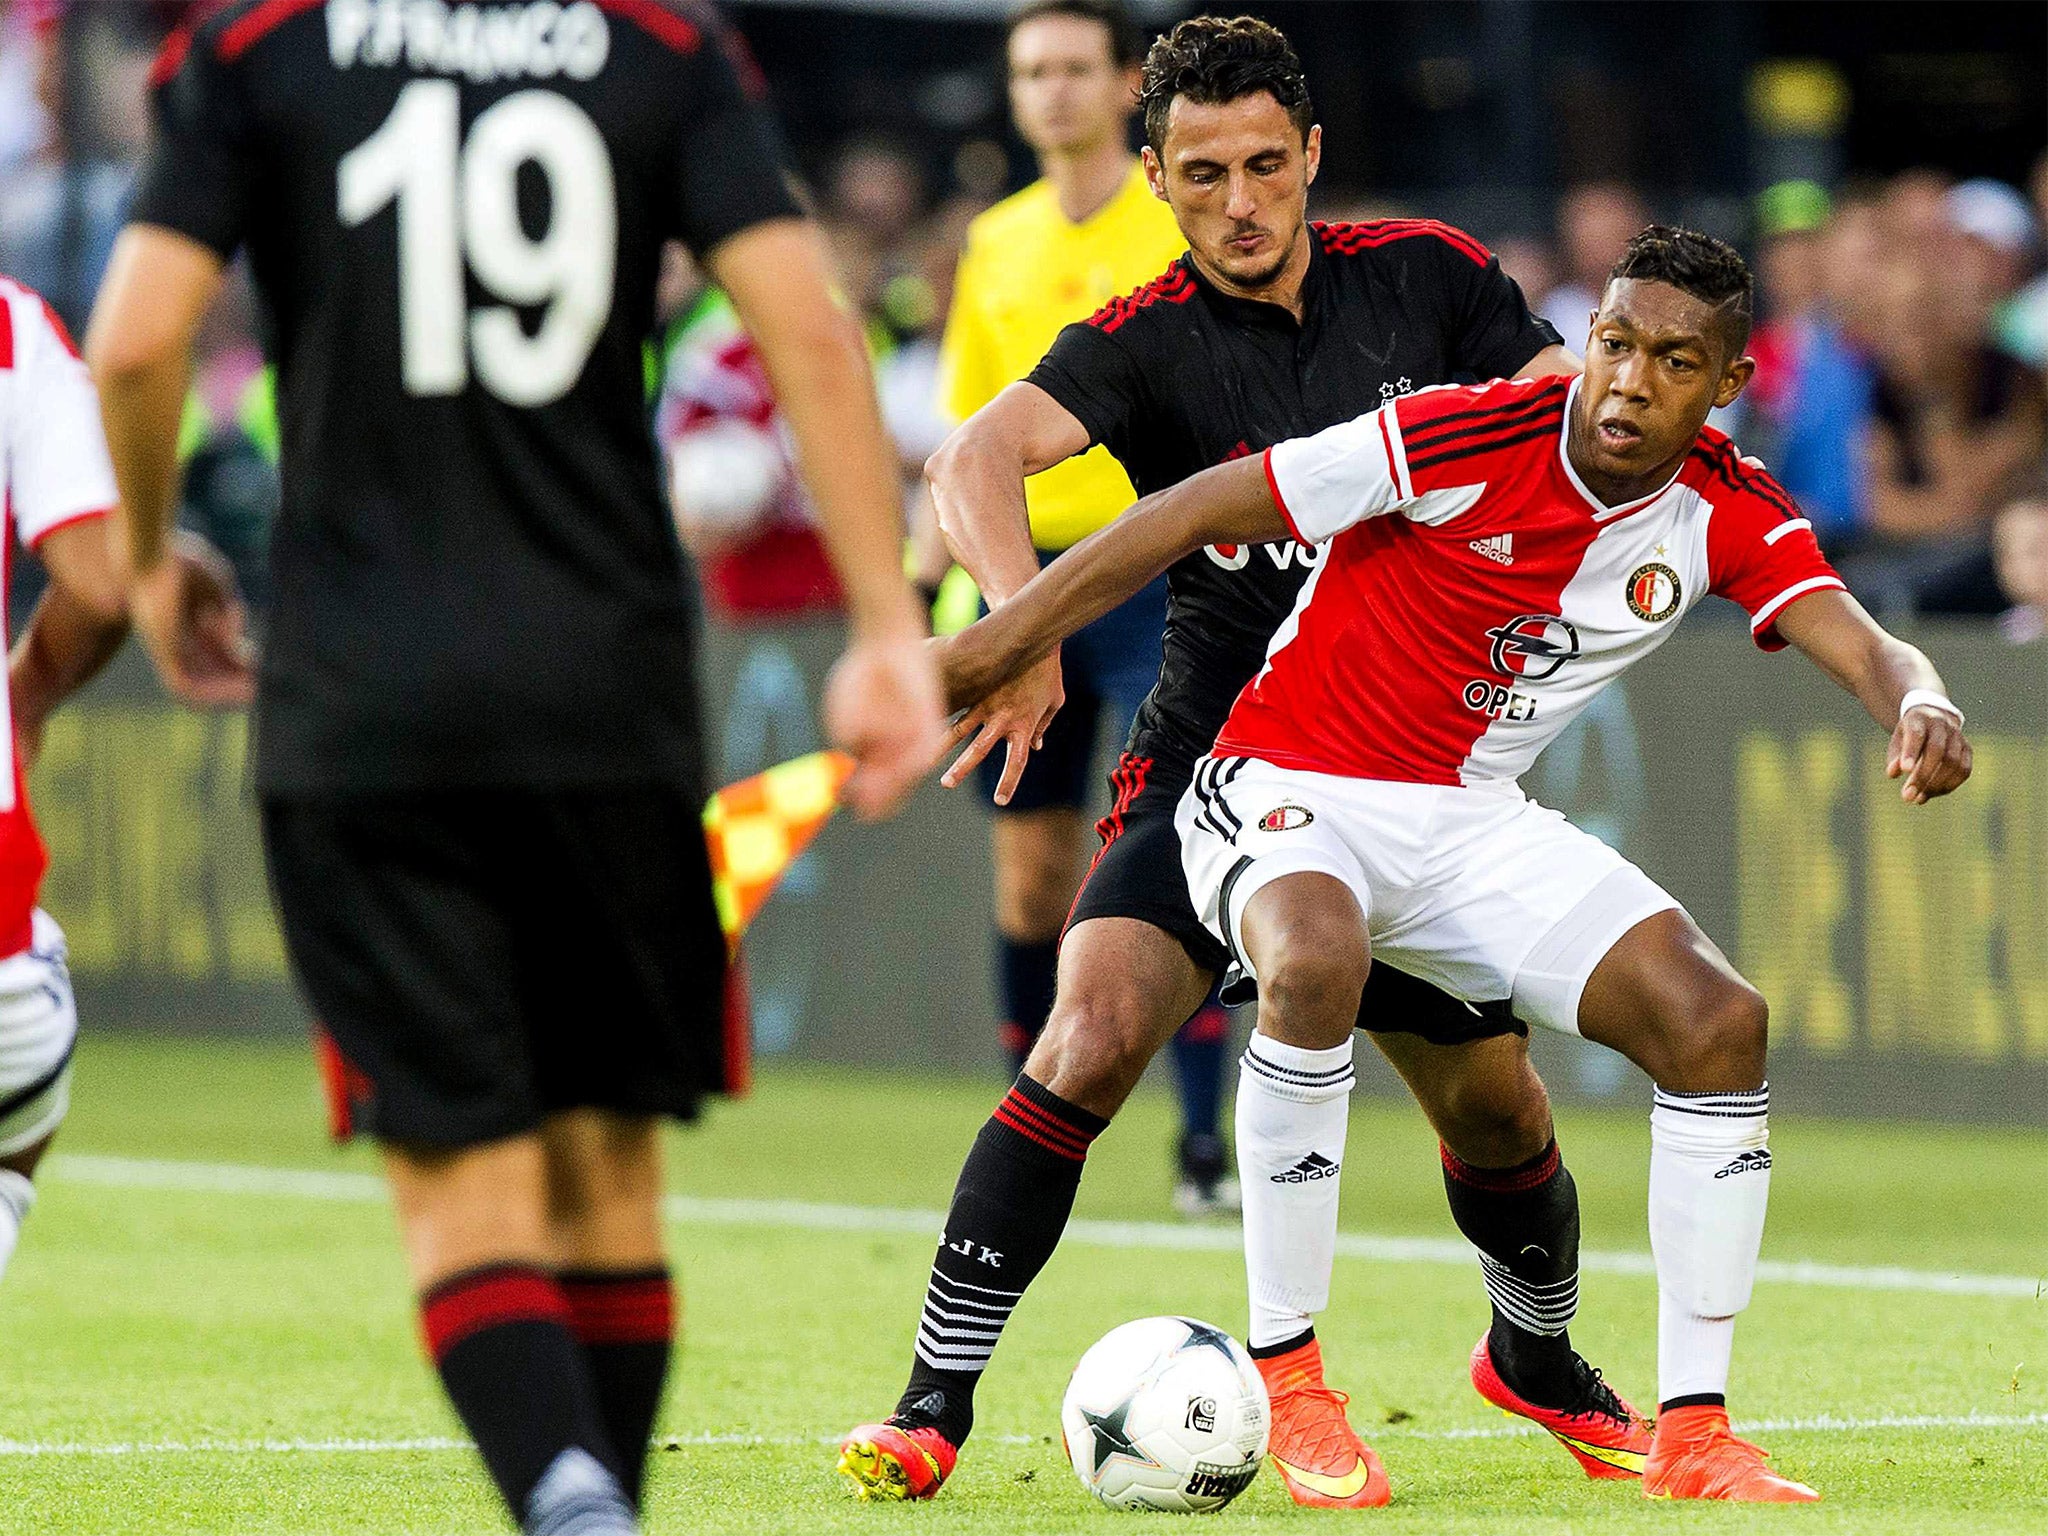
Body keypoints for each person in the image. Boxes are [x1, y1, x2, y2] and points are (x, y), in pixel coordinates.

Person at [940, 225, 1974, 1504]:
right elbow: (1191, 508)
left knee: (1717, 1024)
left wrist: (1920, 703)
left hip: (1468, 820)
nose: (1625, 382)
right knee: (1310, 959)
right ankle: (1292, 1377)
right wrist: (1004, 635)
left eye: (1670, 361)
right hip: (1281, 783)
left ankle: (1695, 1431)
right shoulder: (1462, 432)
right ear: (1582, 337)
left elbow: (1870, 647)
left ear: (1722, 385)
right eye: (1610, 343)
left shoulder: (1723, 507)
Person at [87, 4, 942, 1534]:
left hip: (366, 701)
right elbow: (806, 323)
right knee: (608, 1169)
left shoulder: (256, 45)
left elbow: (140, 338)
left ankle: (566, 1501)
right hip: (605, 692)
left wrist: (150, 563)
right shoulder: (659, 45)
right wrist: (885, 623)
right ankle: (594, 1500)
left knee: (463, 1177)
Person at [842, 16, 1646, 1512]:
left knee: (1498, 1114)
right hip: (1219, 762)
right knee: (1085, 1037)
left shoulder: (1432, 279)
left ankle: (1533, 1357)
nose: (1241, 200)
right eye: (1202, 172)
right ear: (1154, 176)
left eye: (1267, 164)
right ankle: (929, 1406)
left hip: (1406, 779)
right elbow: (970, 460)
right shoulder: (1143, 342)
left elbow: (1571, 441)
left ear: (1312, 157)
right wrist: (1022, 632)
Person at [936, 0, 1235, 1216]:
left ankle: (1201, 1142)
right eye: (1030, 71)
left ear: (1123, 86)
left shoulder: (1171, 218)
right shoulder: (994, 241)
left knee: (1190, 846)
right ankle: (1033, 1125)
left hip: (1168, 569)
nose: (1051, 90)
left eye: (1073, 67)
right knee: (1030, 872)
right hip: (1038, 577)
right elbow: (963, 438)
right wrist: (971, 602)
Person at [0, 271, 190, 1286]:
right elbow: (104, 583)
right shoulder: (10, 326)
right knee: (27, 1047)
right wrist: (23, 694)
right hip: (4, 979)